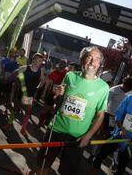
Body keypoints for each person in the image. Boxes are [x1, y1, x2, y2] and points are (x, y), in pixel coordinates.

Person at [36, 46, 109, 175]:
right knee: (43, 165)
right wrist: (57, 93)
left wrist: (88, 135)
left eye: (97, 59)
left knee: (67, 171)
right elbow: (56, 100)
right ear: (82, 60)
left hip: (78, 137)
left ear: (100, 64)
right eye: (89, 58)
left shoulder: (103, 87)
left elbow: (100, 115)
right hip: (57, 129)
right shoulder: (70, 76)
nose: (93, 62)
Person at [8, 53, 45, 135]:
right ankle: (9, 124)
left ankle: (23, 128)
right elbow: (15, 73)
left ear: (41, 62)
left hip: (30, 95)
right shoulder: (25, 68)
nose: (37, 62)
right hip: (21, 93)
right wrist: (9, 80)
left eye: (40, 61)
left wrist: (37, 88)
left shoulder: (40, 71)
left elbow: (42, 80)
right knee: (15, 109)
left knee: (27, 112)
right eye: (36, 60)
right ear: (33, 60)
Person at [37, 59, 68, 127]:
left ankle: (46, 122)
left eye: (64, 63)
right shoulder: (54, 72)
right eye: (61, 63)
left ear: (66, 65)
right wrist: (44, 92)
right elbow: (48, 82)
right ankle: (40, 122)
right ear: (59, 63)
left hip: (59, 96)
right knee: (46, 108)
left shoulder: (66, 74)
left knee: (52, 111)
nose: (62, 64)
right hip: (51, 93)